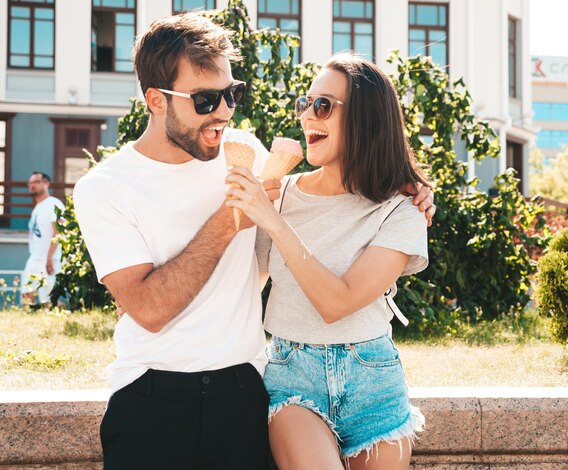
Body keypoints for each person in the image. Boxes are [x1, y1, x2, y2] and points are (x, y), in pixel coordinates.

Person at [73, 12, 435, 470]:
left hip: (243, 391)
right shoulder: (105, 187)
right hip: (151, 396)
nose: (224, 112)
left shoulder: (246, 153)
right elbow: (148, 309)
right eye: (205, 100)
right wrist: (232, 219)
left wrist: (409, 189)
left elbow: (302, 225)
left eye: (232, 94)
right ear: (156, 100)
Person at [226, 54, 431, 470]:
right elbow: (247, 281)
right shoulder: (277, 193)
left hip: (372, 380)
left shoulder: (402, 211)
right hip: (293, 378)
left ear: (366, 119)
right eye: (306, 103)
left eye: (324, 106)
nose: (308, 117)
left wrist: (273, 221)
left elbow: (338, 303)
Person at [21, 171, 65, 306]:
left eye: (36, 182)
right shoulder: (38, 208)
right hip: (35, 258)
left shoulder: (53, 204)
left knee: (50, 301)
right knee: (27, 295)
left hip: (50, 259)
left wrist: (49, 257)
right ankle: (29, 323)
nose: (32, 185)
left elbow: (58, 231)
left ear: (46, 183)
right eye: (30, 183)